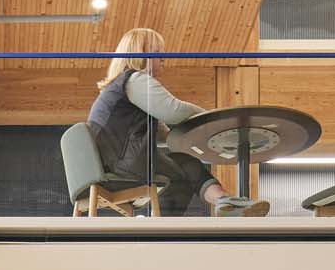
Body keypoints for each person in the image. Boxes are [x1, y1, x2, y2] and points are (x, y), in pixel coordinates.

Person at [89, 27, 269, 218]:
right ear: (141, 53)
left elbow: (167, 136)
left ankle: (221, 204)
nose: (164, 57)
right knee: (181, 172)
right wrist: (216, 119)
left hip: (112, 160)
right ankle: (217, 206)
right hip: (122, 161)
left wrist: (198, 140)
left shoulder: (121, 89)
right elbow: (174, 111)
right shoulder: (135, 79)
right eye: (157, 52)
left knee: (182, 166)